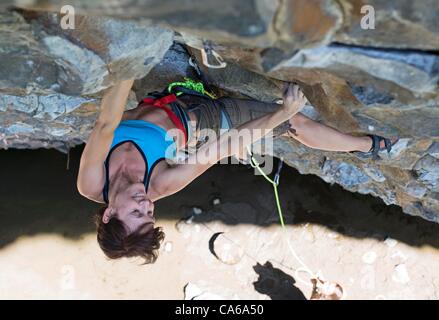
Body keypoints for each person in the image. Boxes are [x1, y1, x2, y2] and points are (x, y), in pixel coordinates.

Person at [77, 79, 396, 263]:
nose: (147, 205)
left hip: (158, 99)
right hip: (202, 119)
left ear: (108, 214)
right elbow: (225, 147)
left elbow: (106, 124)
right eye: (149, 214)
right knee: (295, 124)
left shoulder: (93, 182)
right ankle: (366, 145)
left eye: (136, 212)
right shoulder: (161, 183)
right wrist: (282, 114)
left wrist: (126, 68)